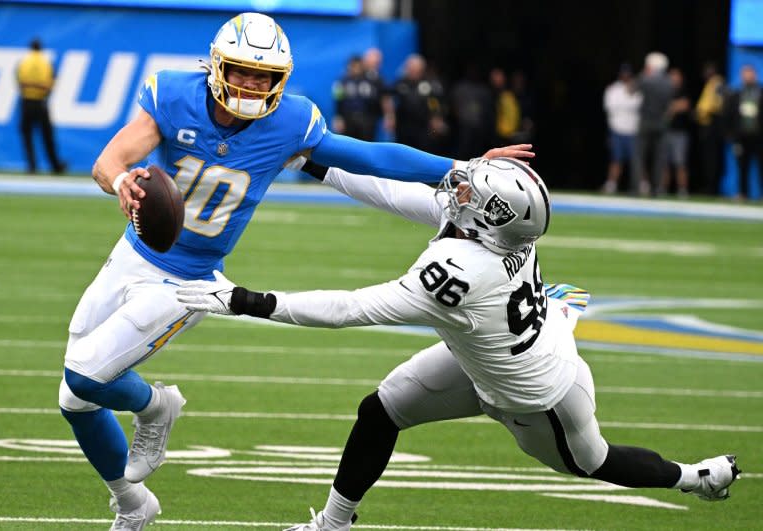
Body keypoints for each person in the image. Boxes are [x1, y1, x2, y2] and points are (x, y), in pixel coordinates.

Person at [58, 12, 522, 531]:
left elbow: (369, 156)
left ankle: (156, 405)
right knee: (74, 399)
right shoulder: (172, 94)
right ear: (216, 66)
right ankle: (131, 502)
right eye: (242, 71)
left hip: (189, 281)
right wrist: (120, 179)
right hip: (132, 253)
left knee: (86, 374)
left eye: (265, 76)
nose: (253, 85)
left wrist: (460, 166)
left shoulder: (290, 122)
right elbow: (109, 159)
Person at [176, 158, 741, 531]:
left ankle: (695, 478)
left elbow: (351, 309)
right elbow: (395, 194)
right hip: (483, 357)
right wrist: (314, 163)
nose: (460, 187)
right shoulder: (492, 231)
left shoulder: (462, 269)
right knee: (380, 411)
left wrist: (248, 300)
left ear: (492, 217)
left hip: (539, 399)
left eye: (475, 189)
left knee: (593, 462)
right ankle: (332, 524)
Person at [16, 38, 66, 174]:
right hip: (41, 102)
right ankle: (55, 166)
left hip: (26, 101)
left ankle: (31, 166)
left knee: (27, 135)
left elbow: (18, 80)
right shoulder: (45, 62)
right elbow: (52, 81)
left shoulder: (24, 62)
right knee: (47, 136)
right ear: (41, 48)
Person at [632, 52, 674, 196]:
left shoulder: (646, 79)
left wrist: (644, 74)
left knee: (639, 156)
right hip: (661, 123)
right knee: (659, 158)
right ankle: (657, 188)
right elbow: (669, 103)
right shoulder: (669, 82)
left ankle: (637, 187)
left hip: (646, 122)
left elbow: (631, 89)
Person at [724, 64, 763, 201]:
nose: (747, 76)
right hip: (741, 136)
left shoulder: (760, 92)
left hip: (759, 136)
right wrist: (731, 135)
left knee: (761, 166)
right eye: (744, 73)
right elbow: (728, 115)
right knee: (742, 167)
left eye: (749, 73)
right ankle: (742, 193)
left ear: (755, 74)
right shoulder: (736, 94)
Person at [600, 64, 641, 194]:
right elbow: (610, 108)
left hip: (633, 130)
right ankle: (611, 184)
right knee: (616, 159)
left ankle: (642, 184)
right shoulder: (612, 90)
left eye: (628, 74)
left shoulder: (637, 90)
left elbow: (638, 106)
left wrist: (630, 94)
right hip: (617, 129)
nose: (626, 76)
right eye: (624, 74)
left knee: (637, 160)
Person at [331, 56, 382, 141]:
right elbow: (338, 100)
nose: (356, 69)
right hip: (348, 119)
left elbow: (377, 99)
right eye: (353, 66)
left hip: (366, 120)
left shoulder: (370, 80)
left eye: (358, 66)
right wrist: (338, 117)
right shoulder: (341, 82)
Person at [695, 63, 725, 195]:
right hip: (707, 125)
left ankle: (712, 188)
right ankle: (709, 186)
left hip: (713, 125)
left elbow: (717, 104)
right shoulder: (711, 84)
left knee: (712, 158)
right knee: (708, 158)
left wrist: (702, 112)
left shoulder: (717, 83)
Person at [661, 67, 691, 197]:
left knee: (680, 163)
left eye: (676, 77)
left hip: (680, 133)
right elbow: (661, 109)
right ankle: (662, 188)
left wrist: (671, 107)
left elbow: (685, 105)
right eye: (672, 77)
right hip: (665, 132)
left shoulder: (684, 91)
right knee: (664, 163)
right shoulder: (664, 91)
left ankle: (682, 190)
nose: (674, 79)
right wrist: (674, 107)